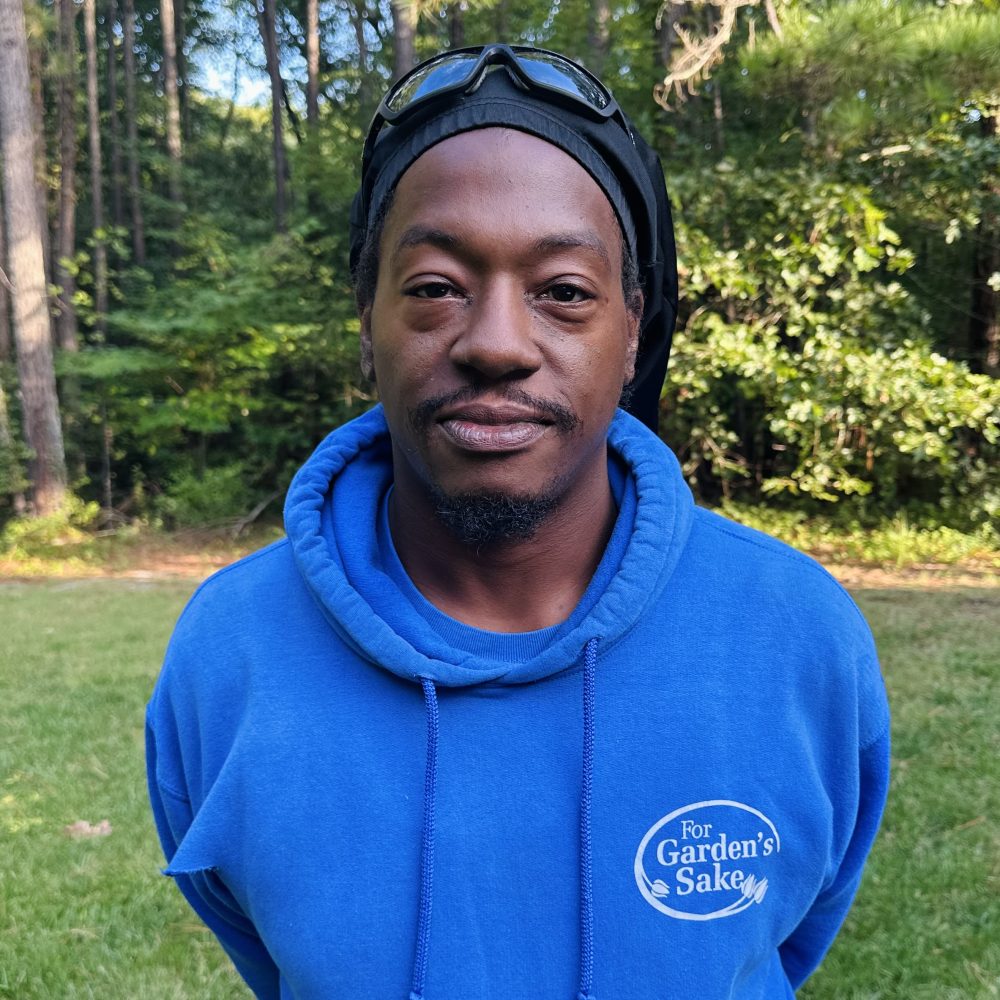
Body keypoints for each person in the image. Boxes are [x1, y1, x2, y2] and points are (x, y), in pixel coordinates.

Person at [146, 44, 890, 1000]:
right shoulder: (232, 649)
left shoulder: (796, 632)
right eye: (434, 288)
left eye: (565, 293)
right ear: (366, 325)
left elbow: (781, 943)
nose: (497, 342)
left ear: (635, 331)